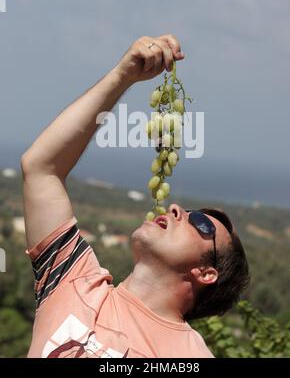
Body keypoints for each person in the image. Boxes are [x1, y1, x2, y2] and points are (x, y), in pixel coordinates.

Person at [21, 34, 249, 358]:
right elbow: (41, 168)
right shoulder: (74, 280)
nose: (175, 208)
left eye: (201, 223)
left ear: (206, 273)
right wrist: (123, 75)